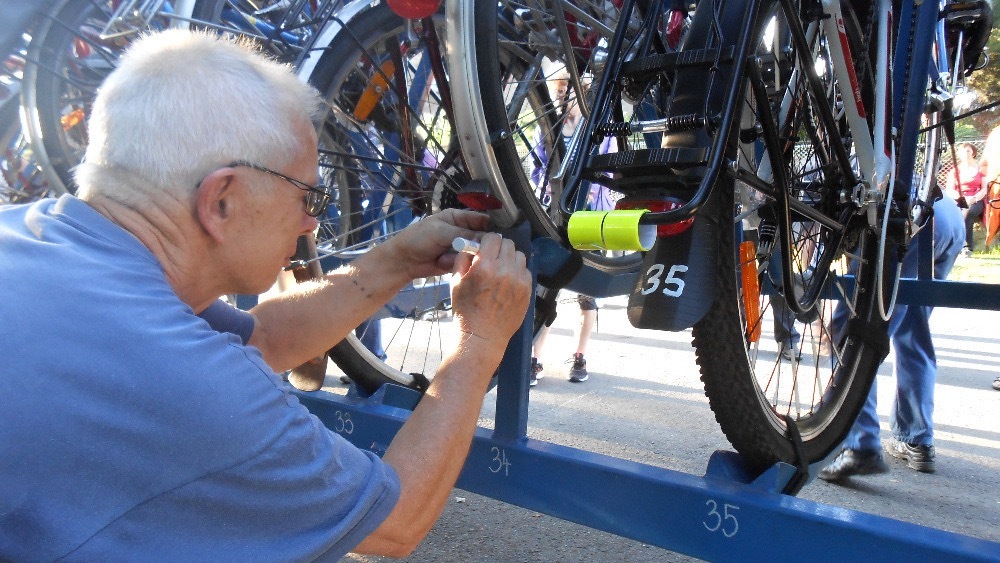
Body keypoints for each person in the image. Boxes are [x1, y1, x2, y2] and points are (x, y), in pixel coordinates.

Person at [0, 29, 532, 559]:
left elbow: (263, 338)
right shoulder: (189, 383)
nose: (310, 222)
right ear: (222, 200)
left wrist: (396, 261)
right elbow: (395, 524)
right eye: (308, 196)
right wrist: (481, 341)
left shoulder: (32, 234)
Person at [818, 195, 965, 481]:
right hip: (945, 216)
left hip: (904, 219)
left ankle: (860, 444)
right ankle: (917, 438)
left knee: (855, 328)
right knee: (913, 329)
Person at [528, 72, 616, 384]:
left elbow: (610, 168)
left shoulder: (599, 128)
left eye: (569, 92)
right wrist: (547, 189)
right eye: (560, 92)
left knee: (587, 294)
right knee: (547, 286)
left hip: (590, 216)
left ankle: (580, 356)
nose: (564, 98)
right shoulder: (547, 128)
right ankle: (535, 357)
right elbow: (537, 167)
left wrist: (591, 190)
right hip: (555, 213)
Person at [943, 142, 985, 255]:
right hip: (959, 199)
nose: (965, 153)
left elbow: (984, 189)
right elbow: (949, 189)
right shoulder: (955, 171)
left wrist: (974, 198)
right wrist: (961, 198)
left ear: (973, 153)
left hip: (976, 200)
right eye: (962, 151)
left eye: (968, 151)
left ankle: (966, 247)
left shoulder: (981, 170)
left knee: (967, 213)